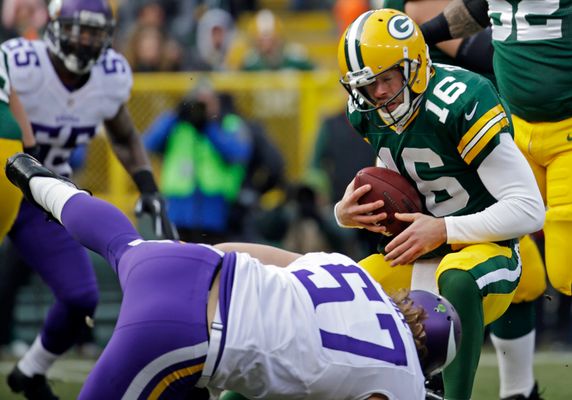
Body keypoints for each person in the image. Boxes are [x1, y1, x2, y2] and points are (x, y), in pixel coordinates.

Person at [5, 152, 463, 400]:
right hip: (189, 334)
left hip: (195, 267)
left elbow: (263, 254)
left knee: (122, 243)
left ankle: (41, 183)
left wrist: (191, 257)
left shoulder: (355, 276)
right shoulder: (402, 375)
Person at [334, 9, 545, 400]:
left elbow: (530, 207)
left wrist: (443, 229)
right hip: (423, 253)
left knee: (457, 275)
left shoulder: (461, 101)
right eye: (366, 84)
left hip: (486, 253)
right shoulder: (370, 112)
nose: (377, 93)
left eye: (385, 79)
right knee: (348, 287)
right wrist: (345, 213)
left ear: (413, 67)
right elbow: (395, 176)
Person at [0, 0, 174, 398]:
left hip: (43, 197)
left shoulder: (109, 75)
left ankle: (30, 371)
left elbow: (125, 134)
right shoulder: (19, 60)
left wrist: (148, 186)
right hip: (0, 182)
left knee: (81, 296)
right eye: (79, 30)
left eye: (96, 34)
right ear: (56, 26)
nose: (86, 42)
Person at [419, 1, 572, 398]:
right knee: (511, 263)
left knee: (563, 269)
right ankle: (510, 388)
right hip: (506, 128)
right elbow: (479, 10)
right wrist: (422, 36)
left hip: (550, 127)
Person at [143, 83, 252, 244]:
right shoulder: (177, 124)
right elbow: (149, 144)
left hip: (214, 207)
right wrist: (175, 115)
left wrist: (209, 127)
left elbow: (239, 153)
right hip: (178, 206)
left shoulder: (228, 124)